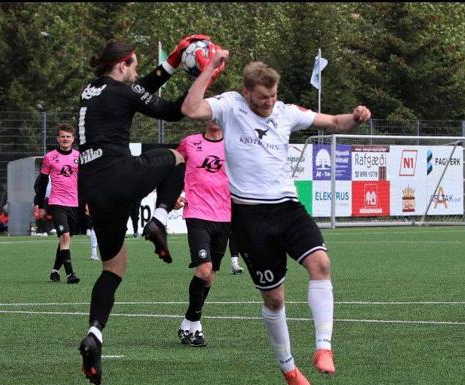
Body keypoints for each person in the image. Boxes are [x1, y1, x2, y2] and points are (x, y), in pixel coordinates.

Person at [182, 51, 371, 384]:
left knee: (321, 265)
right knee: (274, 298)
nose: (269, 102)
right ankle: (289, 369)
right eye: (262, 97)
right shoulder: (229, 106)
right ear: (246, 92)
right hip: (249, 217)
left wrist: (356, 117)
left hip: (287, 207)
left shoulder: (286, 112)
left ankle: (323, 347)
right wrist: (210, 68)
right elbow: (190, 109)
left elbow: (334, 122)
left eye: (273, 96)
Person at [76, 35, 222, 385]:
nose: (137, 71)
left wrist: (172, 62)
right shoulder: (123, 92)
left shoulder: (91, 90)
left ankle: (94, 334)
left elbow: (138, 90)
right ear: (123, 63)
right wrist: (203, 76)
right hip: (119, 174)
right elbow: (172, 112)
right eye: (135, 65)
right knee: (181, 154)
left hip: (93, 187)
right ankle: (158, 220)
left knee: (113, 267)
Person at [175, 120, 230, 347]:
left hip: (225, 216)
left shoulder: (234, 145)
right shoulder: (190, 143)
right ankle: (196, 325)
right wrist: (173, 195)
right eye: (211, 112)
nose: (215, 117)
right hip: (197, 213)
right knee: (204, 268)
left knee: (210, 275)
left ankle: (188, 321)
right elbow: (174, 168)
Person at [34, 123, 81, 284]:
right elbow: (41, 183)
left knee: (65, 239)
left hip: (74, 204)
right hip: (57, 202)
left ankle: (55, 271)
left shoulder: (79, 156)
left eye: (68, 136)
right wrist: (40, 205)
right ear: (58, 139)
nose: (65, 139)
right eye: (62, 136)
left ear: (73, 139)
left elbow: (85, 182)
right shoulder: (49, 157)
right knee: (65, 236)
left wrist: (88, 202)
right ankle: (70, 274)